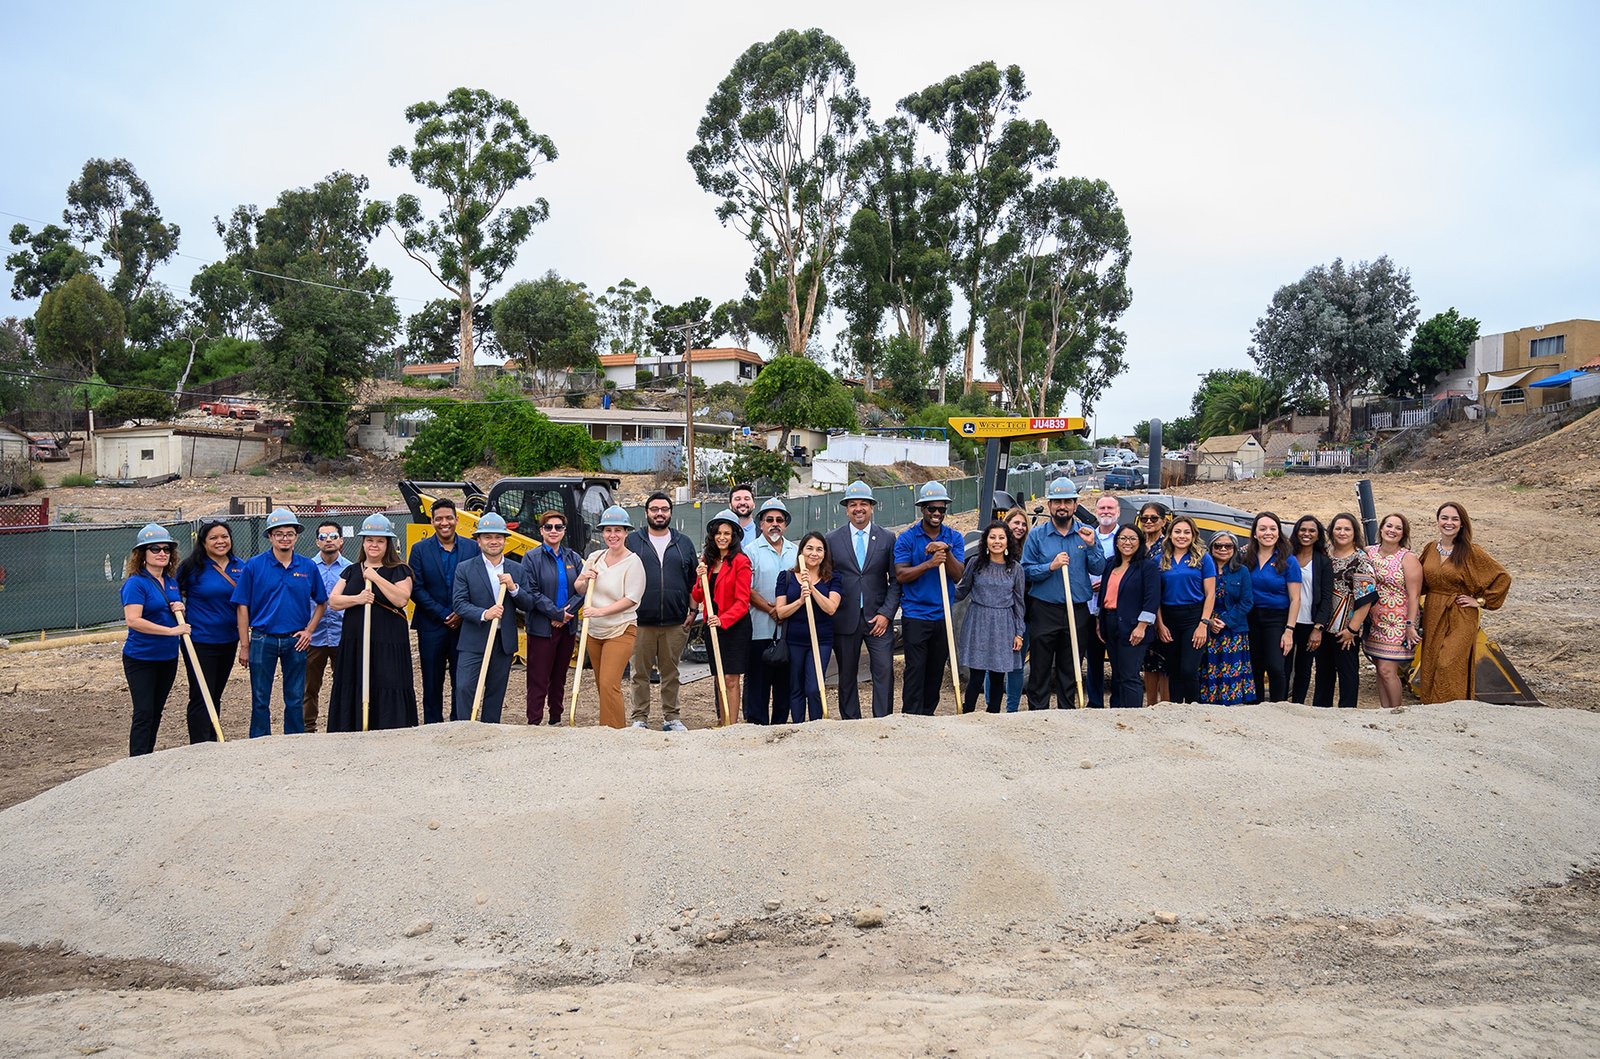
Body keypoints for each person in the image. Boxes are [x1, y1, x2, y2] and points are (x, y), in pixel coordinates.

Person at [232, 508, 329, 738]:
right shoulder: (254, 566)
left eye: (289, 533)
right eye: (279, 533)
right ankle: (259, 742)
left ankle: (294, 742)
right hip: (262, 639)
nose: (284, 538)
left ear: (296, 536)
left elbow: (322, 602)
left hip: (295, 641)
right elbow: (242, 606)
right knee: (260, 698)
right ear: (270, 536)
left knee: (295, 698)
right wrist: (245, 645)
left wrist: (309, 631)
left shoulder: (307, 567)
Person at [326, 515, 417, 731]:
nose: (374, 545)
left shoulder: (399, 570)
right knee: (356, 679)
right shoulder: (351, 570)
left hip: (388, 640)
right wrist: (358, 599)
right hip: (356, 639)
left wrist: (375, 577)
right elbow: (334, 601)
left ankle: (389, 727)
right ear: (363, 542)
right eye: (369, 540)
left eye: (380, 541)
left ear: (388, 544)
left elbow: (401, 599)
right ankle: (353, 726)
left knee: (387, 679)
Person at [1020, 478, 1103, 710]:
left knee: (1071, 665)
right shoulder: (1037, 536)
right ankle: (1038, 713)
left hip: (1077, 611)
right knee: (1040, 666)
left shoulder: (1086, 534)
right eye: (1057, 502)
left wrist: (1092, 545)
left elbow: (1098, 569)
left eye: (1067, 501)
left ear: (1076, 505)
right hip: (1045, 609)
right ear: (1049, 506)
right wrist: (1050, 567)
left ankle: (1068, 714)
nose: (1062, 506)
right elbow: (1025, 571)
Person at [1417, 501, 1511, 704]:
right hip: (1434, 611)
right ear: (1438, 521)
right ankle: (1430, 707)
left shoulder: (1471, 551)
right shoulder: (1430, 548)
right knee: (1431, 660)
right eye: (1444, 518)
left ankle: (1451, 709)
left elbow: (1502, 577)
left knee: (1448, 662)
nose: (1448, 523)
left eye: (1454, 519)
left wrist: (1480, 601)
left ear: (1462, 524)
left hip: (1461, 613)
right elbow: (1418, 579)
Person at [825, 480, 900, 720]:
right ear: (846, 509)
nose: (859, 509)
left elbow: (895, 580)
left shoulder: (887, 538)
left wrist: (887, 614)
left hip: (878, 618)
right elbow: (826, 578)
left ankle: (883, 719)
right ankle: (851, 721)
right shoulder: (832, 539)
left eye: (864, 504)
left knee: (884, 670)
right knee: (847, 673)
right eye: (853, 504)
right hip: (844, 618)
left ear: (872, 507)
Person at [627, 492, 699, 732]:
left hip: (675, 621)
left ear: (670, 512)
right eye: (654, 509)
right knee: (639, 672)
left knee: (671, 672)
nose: (659, 513)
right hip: (641, 621)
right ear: (646, 512)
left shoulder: (684, 543)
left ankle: (671, 717)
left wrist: (693, 609)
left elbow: (692, 581)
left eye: (664, 509)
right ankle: (640, 718)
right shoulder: (633, 542)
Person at [893, 481, 966, 715]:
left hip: (943, 614)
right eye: (931, 509)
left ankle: (928, 714)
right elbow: (901, 574)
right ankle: (911, 716)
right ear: (922, 509)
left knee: (935, 670)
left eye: (941, 509)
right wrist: (929, 563)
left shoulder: (954, 537)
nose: (936, 513)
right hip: (916, 615)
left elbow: (958, 575)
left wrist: (946, 551)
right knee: (915, 669)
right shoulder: (907, 538)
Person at [574, 506, 645, 728]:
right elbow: (579, 588)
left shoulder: (633, 562)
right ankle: (607, 728)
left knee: (608, 682)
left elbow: (631, 599)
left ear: (626, 533)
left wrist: (599, 611)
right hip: (595, 630)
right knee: (601, 683)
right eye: (608, 530)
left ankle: (616, 732)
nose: (612, 535)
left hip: (621, 629)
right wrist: (585, 577)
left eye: (618, 530)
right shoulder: (595, 557)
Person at [408, 498, 479, 725]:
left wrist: (460, 612)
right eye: (439, 519)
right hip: (431, 625)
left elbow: (478, 583)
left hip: (465, 625)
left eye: (449, 518)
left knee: (462, 679)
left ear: (457, 520)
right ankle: (432, 725)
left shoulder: (471, 547)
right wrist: (443, 613)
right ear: (432, 521)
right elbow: (416, 588)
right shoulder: (419, 549)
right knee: (431, 679)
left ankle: (460, 723)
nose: (444, 523)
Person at [174, 520, 244, 744]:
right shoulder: (191, 567)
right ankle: (199, 744)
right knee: (201, 694)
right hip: (199, 641)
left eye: (224, 536)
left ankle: (212, 739)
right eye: (213, 538)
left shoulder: (240, 566)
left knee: (215, 693)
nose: (220, 541)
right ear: (203, 542)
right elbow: (175, 595)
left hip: (228, 639)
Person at [121, 523, 188, 755]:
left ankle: (147, 756)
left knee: (157, 710)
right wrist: (171, 631)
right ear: (143, 554)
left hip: (167, 657)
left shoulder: (170, 581)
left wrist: (180, 607)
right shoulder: (136, 583)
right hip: (142, 658)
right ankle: (137, 760)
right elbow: (133, 620)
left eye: (166, 549)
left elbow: (168, 610)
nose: (162, 553)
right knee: (144, 712)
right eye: (155, 549)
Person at [450, 512, 522, 723]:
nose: (493, 541)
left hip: (503, 642)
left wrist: (514, 588)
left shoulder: (516, 569)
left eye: (498, 537)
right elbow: (459, 603)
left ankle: (490, 732)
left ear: (505, 540)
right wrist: (484, 614)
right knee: (464, 688)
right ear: (478, 540)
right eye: (488, 537)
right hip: (474, 639)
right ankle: (465, 729)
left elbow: (528, 603)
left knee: (495, 691)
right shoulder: (465, 568)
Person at [518, 509, 584, 726]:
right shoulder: (531, 558)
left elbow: (582, 590)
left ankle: (555, 719)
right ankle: (534, 722)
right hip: (541, 629)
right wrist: (555, 613)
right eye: (549, 527)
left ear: (564, 531)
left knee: (559, 677)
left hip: (567, 628)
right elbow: (532, 592)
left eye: (558, 527)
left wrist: (566, 615)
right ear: (541, 531)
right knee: (538, 679)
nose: (553, 531)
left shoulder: (573, 557)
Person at [953, 522, 1026, 713]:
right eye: (992, 537)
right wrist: (940, 591)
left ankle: (993, 715)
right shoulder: (975, 564)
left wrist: (1019, 633)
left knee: (997, 674)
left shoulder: (1016, 569)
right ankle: (967, 714)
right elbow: (961, 591)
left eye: (1001, 538)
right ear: (986, 541)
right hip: (978, 622)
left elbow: (1019, 603)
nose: (997, 542)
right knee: (976, 675)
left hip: (1004, 624)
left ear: (1007, 542)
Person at [692, 508, 752, 726]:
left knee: (731, 678)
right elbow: (698, 595)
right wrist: (700, 579)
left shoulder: (741, 562)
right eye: (718, 533)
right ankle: (722, 719)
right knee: (719, 677)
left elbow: (742, 601)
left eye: (727, 533)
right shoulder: (707, 561)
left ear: (733, 536)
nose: (722, 537)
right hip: (712, 626)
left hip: (734, 627)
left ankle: (732, 724)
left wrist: (723, 619)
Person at [774, 532, 842, 722]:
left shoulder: (833, 578)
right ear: (801, 552)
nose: (814, 553)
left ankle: (816, 726)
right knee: (796, 687)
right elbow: (780, 612)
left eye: (819, 549)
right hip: (794, 641)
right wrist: (801, 601)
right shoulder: (786, 577)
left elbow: (831, 608)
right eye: (809, 548)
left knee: (814, 687)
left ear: (824, 553)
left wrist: (811, 588)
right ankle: (798, 728)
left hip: (821, 641)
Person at [1313, 513, 1378, 710]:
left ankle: (1347, 713)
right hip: (1322, 625)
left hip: (1346, 628)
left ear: (1355, 532)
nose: (1342, 532)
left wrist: (1352, 628)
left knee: (1347, 673)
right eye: (1338, 528)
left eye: (1347, 529)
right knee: (1323, 672)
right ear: (1331, 531)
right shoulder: (1324, 555)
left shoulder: (1360, 560)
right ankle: (1321, 712)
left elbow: (1366, 598)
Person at [744, 497, 797, 724]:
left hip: (789, 630)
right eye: (769, 520)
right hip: (759, 629)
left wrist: (785, 610)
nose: (775, 524)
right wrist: (770, 609)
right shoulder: (750, 551)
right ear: (761, 524)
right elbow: (746, 588)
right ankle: (757, 726)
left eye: (779, 520)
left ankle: (779, 726)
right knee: (758, 682)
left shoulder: (796, 551)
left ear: (785, 524)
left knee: (784, 683)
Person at [1096, 524, 1160, 709]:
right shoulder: (1110, 564)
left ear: (1139, 542)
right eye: (1123, 538)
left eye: (1132, 538)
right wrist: (1100, 621)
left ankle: (1133, 715)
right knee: (1117, 674)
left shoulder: (1147, 567)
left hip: (1134, 627)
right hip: (1110, 622)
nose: (1127, 542)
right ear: (1116, 542)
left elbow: (1152, 598)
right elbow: (1104, 594)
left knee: (1129, 675)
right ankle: (1117, 712)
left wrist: (1142, 626)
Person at [1364, 512, 1424, 710]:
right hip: (1373, 621)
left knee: (1387, 669)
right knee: (1380, 671)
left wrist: (1410, 624)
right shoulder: (1368, 552)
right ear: (1381, 528)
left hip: (1397, 621)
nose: (1392, 531)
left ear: (1403, 533)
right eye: (1389, 526)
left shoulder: (1408, 558)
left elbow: (1414, 595)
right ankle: (1385, 710)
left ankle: (1397, 711)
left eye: (1398, 528)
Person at [1153, 516, 1215, 704]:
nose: (1182, 536)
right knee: (1173, 670)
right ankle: (1175, 710)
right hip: (1169, 617)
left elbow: (1210, 593)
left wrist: (1203, 624)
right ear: (1170, 534)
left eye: (1186, 532)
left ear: (1193, 535)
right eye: (1177, 531)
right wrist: (1160, 624)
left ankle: (1193, 709)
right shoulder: (1160, 559)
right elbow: (1155, 597)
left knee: (1189, 669)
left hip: (1194, 617)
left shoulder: (1203, 558)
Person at [1242, 512, 1301, 703]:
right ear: (1254, 533)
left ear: (1279, 533)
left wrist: (1289, 630)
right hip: (1250, 617)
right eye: (1263, 528)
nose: (1268, 533)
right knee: (1254, 666)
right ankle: (1256, 706)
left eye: (1273, 529)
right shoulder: (1246, 557)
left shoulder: (1288, 560)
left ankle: (1279, 707)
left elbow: (1295, 598)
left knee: (1276, 667)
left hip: (1277, 619)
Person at [302, 521, 351, 733]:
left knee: (345, 685)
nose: (328, 540)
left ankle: (343, 726)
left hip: (343, 636)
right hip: (314, 637)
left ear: (341, 540)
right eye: (323, 537)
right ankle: (307, 728)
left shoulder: (351, 568)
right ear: (316, 542)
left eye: (332, 536)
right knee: (308, 687)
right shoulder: (306, 568)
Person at [1198, 531, 1255, 705]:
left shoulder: (1242, 571)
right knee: (1208, 668)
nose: (1223, 549)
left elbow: (1247, 601)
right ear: (1211, 547)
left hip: (1233, 630)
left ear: (1235, 549)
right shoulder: (1202, 568)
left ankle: (1233, 705)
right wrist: (1210, 621)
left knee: (1231, 669)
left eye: (1228, 546)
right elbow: (1198, 597)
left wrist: (1225, 620)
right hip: (1207, 628)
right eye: (1218, 545)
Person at [990, 506, 1032, 712]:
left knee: (1016, 664)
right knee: (993, 664)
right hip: (998, 616)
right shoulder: (993, 552)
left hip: (1023, 615)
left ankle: (1012, 709)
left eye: (1024, 524)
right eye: (1016, 523)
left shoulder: (1029, 550)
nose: (1020, 527)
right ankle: (992, 707)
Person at [1288, 515, 1332, 705]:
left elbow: (1326, 597)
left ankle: (1297, 704)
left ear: (1318, 535)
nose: (1307, 534)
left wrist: (1318, 628)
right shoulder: (1286, 556)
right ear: (1297, 531)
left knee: (1304, 668)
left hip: (1309, 623)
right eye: (1303, 529)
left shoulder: (1323, 562)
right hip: (1287, 621)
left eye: (1312, 530)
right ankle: (1279, 704)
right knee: (1283, 666)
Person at [1084, 492, 1121, 707]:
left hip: (1112, 609)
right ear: (1096, 511)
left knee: (1117, 659)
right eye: (1102, 509)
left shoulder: (1124, 538)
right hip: (1088, 607)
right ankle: (1095, 702)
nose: (1106, 512)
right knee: (1093, 659)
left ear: (1117, 512)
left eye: (1110, 509)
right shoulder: (1087, 536)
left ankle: (1118, 702)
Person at [1136, 501, 1172, 706]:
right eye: (1144, 518)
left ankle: (1165, 706)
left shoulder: (1169, 545)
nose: (1149, 522)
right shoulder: (1138, 544)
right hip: (1140, 610)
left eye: (1153, 518)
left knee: (1164, 662)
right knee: (1148, 663)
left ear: (1163, 521)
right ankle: (1150, 705)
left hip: (1164, 609)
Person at [729, 484, 759, 550]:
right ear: (730, 505)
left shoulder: (763, 532)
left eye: (747, 499)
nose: (742, 502)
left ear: (754, 504)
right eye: (737, 499)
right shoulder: (722, 533)